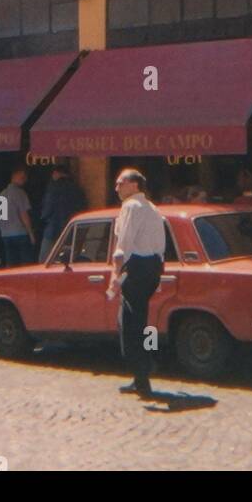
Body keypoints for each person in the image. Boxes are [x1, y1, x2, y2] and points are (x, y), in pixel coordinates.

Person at [108, 168, 166, 399]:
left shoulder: (131, 206)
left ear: (134, 185)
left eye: (120, 183)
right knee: (136, 321)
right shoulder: (153, 208)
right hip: (152, 268)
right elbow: (160, 246)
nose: (117, 188)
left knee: (129, 324)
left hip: (138, 267)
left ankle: (143, 373)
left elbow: (124, 244)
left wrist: (114, 274)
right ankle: (140, 376)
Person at [39, 163, 86, 260]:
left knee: (45, 260)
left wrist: (42, 218)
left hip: (53, 229)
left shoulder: (53, 188)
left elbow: (47, 209)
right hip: (71, 228)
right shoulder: (77, 188)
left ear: (56, 173)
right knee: (68, 259)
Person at [0, 167, 36, 267]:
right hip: (20, 234)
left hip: (6, 235)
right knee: (25, 264)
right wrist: (31, 233)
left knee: (11, 264)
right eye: (22, 177)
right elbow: (24, 214)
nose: (24, 180)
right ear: (14, 176)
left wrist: (3, 229)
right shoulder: (20, 193)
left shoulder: (1, 194)